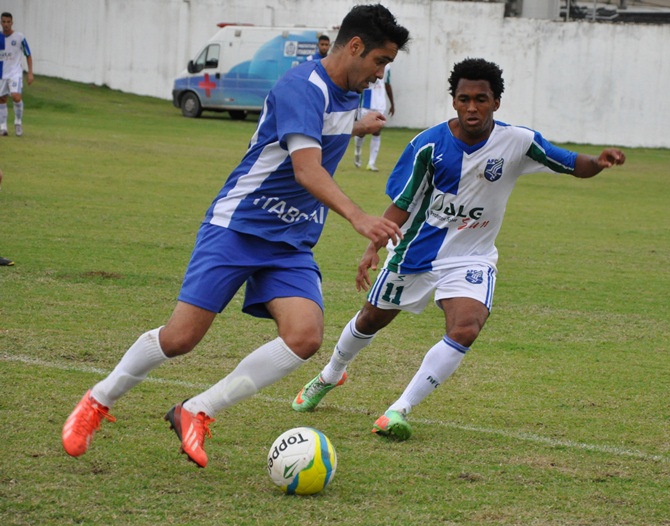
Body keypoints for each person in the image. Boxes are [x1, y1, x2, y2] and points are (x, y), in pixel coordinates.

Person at [61, 4, 411, 468]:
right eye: (379, 62)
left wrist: (355, 122)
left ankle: (197, 410)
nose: (380, 74)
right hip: (239, 225)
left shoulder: (347, 93)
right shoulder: (298, 86)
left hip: (289, 240)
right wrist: (358, 216)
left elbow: (326, 121)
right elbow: (306, 169)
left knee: (304, 337)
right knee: (181, 337)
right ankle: (98, 400)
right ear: (354, 46)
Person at [291, 57, 626, 440]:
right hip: (417, 252)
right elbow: (403, 203)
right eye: (464, 98)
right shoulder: (427, 145)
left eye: (481, 99)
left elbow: (570, 163)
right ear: (454, 101)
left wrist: (598, 162)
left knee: (466, 328)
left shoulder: (518, 142)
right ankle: (331, 374)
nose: (472, 107)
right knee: (371, 318)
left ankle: (399, 410)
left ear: (496, 102)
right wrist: (374, 246)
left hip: (473, 256)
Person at [354, 63, 394, 171]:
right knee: (362, 131)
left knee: (377, 130)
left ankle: (371, 163)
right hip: (366, 101)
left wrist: (392, 104)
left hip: (380, 103)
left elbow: (387, 84)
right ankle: (357, 152)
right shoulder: (369, 60)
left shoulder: (387, 66)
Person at [0, 12, 34, 137]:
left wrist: (30, 73)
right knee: (2, 99)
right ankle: (3, 127)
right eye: (4, 21)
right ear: (1, 22)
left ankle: (18, 123)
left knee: (16, 96)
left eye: (8, 22)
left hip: (15, 73)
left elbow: (28, 55)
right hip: (1, 74)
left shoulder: (19, 37)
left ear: (12, 23)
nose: (6, 24)